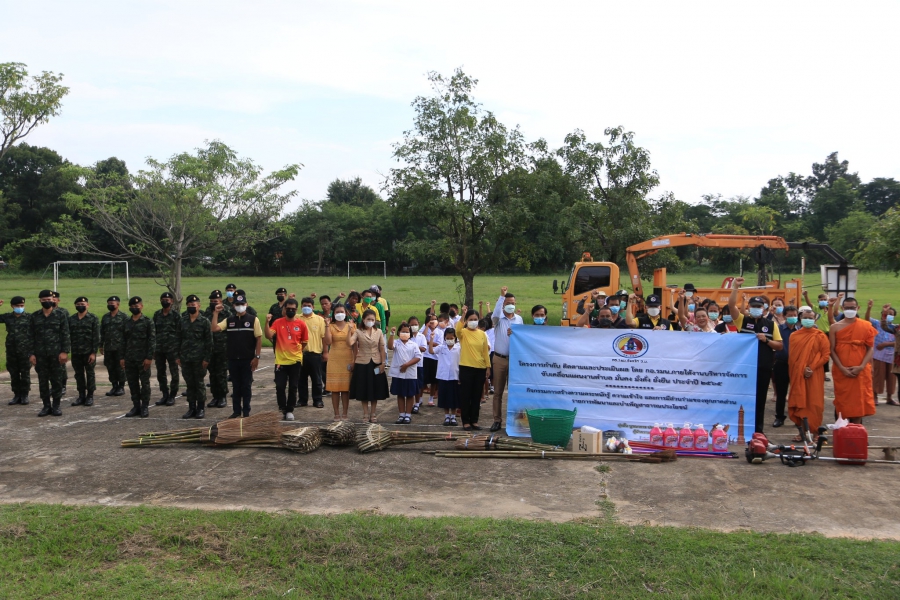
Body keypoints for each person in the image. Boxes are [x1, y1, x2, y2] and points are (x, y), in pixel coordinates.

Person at [727, 278, 783, 433]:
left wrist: (766, 341)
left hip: (763, 368)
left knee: (760, 400)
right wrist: (735, 288)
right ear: (749, 307)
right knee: (742, 399)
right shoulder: (742, 320)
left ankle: (758, 430)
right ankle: (739, 429)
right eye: (753, 306)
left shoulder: (771, 325)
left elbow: (779, 345)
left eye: (759, 306)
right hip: (744, 369)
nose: (756, 308)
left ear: (764, 308)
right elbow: (731, 305)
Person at [212, 294, 262, 419]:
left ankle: (246, 411)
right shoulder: (229, 320)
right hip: (233, 359)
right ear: (233, 306)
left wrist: (257, 357)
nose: (240, 307)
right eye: (237, 305)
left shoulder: (253, 319)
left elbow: (259, 338)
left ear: (246, 305)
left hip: (247, 359)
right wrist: (215, 313)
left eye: (242, 304)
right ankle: (236, 411)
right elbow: (214, 328)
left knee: (246, 386)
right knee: (236, 386)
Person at [830, 296, 876, 424]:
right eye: (847, 308)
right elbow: (832, 350)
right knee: (842, 400)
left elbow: (870, 348)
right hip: (841, 371)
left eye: (852, 308)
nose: (850, 310)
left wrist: (861, 366)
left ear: (857, 308)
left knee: (858, 401)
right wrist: (842, 368)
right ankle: (841, 430)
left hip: (860, 370)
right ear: (842, 308)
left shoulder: (866, 325)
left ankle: (856, 432)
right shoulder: (835, 327)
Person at [788, 307, 831, 438]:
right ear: (800, 319)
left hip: (815, 374)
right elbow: (792, 358)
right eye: (805, 318)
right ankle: (802, 432)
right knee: (799, 401)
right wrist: (802, 370)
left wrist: (811, 368)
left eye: (810, 318)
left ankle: (816, 431)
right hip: (798, 375)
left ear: (815, 319)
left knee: (815, 403)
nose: (807, 320)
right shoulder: (794, 335)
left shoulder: (820, 335)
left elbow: (825, 355)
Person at [265, 298, 307, 420]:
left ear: (296, 310)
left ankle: (290, 410)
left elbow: (304, 342)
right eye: (288, 309)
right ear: (284, 309)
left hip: (295, 360)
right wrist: (267, 322)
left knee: (293, 386)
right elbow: (268, 335)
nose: (290, 311)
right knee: (280, 386)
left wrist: (296, 351)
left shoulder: (301, 324)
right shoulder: (277, 322)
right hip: (280, 361)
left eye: (293, 309)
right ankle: (282, 408)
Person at [30, 290, 70, 417]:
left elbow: (65, 334)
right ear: (40, 300)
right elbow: (30, 336)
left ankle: (56, 406)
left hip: (56, 354)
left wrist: (64, 352)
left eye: (49, 300)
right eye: (44, 300)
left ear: (53, 300)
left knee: (57, 381)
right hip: (40, 355)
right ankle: (46, 406)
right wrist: (31, 354)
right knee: (43, 381)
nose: (47, 302)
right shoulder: (35, 316)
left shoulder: (60, 315)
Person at [490, 287, 523, 432]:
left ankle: (514, 421)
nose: (511, 305)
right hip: (499, 359)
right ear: (503, 304)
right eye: (508, 302)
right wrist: (501, 296)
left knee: (514, 392)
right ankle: (497, 420)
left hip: (514, 359)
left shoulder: (519, 319)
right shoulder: (497, 319)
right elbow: (495, 314)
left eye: (513, 302)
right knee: (498, 392)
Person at [176, 294, 212, 419]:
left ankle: (201, 408)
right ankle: (191, 408)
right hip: (185, 358)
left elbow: (209, 342)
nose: (192, 307)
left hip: (199, 359)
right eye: (189, 305)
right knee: (190, 384)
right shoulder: (183, 320)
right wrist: (177, 355)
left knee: (199, 384)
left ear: (199, 306)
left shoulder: (204, 321)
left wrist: (207, 358)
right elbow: (178, 339)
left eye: (194, 305)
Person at [456, 307, 491, 431]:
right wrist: (463, 315)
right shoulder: (463, 333)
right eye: (471, 319)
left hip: (480, 368)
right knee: (466, 395)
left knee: (477, 396)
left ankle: (474, 420)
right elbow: (457, 330)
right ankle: (465, 421)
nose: (473, 321)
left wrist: (488, 366)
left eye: (475, 319)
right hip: (466, 367)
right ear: (466, 320)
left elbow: (485, 352)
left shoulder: (482, 334)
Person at [350, 309, 389, 422]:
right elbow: (350, 343)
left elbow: (382, 348)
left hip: (376, 363)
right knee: (364, 389)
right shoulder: (358, 331)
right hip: (362, 363)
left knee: (375, 389)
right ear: (364, 320)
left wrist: (383, 363)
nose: (370, 321)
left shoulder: (379, 332)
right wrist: (349, 330)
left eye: (372, 319)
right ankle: (365, 414)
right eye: (368, 319)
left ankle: (373, 413)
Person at [120, 296, 156, 418]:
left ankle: (145, 407)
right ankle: (136, 406)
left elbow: (152, 341)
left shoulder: (147, 321)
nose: (135, 308)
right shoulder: (126, 322)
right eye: (132, 307)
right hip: (129, 358)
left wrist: (149, 357)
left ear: (142, 306)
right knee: (132, 383)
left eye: (137, 306)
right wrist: (122, 357)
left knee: (145, 384)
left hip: (143, 359)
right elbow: (122, 341)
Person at [324, 303, 356, 421]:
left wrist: (354, 360)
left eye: (342, 312)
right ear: (333, 313)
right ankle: (336, 413)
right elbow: (328, 342)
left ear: (345, 313)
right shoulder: (331, 326)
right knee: (335, 388)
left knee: (345, 389)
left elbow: (354, 344)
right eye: (337, 312)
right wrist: (327, 326)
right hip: (334, 359)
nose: (340, 314)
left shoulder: (351, 325)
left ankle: (345, 413)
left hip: (347, 357)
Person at [0, 296, 34, 405]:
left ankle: (25, 395)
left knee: (25, 373)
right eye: (17, 306)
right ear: (12, 306)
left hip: (25, 350)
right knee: (13, 373)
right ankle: (16, 395)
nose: (20, 307)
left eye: (22, 306)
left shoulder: (29, 317)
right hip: (11, 350)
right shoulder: (7, 317)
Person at [772, 306, 801, 428]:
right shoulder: (778, 329)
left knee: (797, 392)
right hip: (781, 363)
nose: (792, 317)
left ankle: (798, 418)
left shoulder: (801, 330)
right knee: (781, 393)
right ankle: (779, 417)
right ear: (784, 316)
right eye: (790, 315)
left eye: (795, 315)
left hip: (797, 365)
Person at [68, 296, 100, 407]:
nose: (81, 306)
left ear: (87, 305)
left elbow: (96, 336)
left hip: (88, 352)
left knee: (90, 374)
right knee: (78, 374)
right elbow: (68, 336)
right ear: (75, 306)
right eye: (78, 304)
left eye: (83, 304)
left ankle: (90, 396)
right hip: (76, 352)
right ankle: (81, 395)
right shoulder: (71, 319)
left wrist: (93, 353)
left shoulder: (93, 318)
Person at [388, 322, 422, 424]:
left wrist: (407, 365)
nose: (405, 333)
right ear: (399, 332)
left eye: (407, 332)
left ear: (410, 334)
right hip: (398, 373)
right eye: (403, 331)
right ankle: (401, 414)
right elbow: (390, 346)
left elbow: (418, 357)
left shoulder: (414, 345)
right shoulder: (396, 343)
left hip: (410, 373)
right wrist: (391, 334)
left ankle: (408, 415)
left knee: (410, 394)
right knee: (400, 394)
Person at [204, 290, 231, 409]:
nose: (213, 303)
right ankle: (215, 396)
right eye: (212, 301)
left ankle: (222, 396)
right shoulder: (207, 312)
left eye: (216, 301)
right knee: (212, 373)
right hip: (210, 348)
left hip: (222, 347)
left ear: (221, 301)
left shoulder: (227, 313)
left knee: (221, 373)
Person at [153, 291, 180, 406]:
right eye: (163, 299)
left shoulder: (176, 315)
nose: (165, 301)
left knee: (174, 373)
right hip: (159, 349)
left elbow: (180, 333)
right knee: (160, 373)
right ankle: (164, 394)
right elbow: (153, 332)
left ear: (172, 301)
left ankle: (172, 395)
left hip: (172, 349)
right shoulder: (157, 315)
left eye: (167, 300)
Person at [429, 326, 460, 426]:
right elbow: (431, 351)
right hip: (443, 376)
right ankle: (447, 416)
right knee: (445, 397)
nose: (450, 340)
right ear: (444, 338)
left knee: (454, 398)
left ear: (455, 338)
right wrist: (431, 339)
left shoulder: (459, 348)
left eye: (452, 338)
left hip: (455, 376)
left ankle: (453, 417)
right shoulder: (441, 347)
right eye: (448, 338)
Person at [299, 297, 326, 408]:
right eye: (304, 305)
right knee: (301, 379)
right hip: (300, 354)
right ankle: (302, 400)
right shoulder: (297, 318)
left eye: (309, 306)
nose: (307, 308)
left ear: (313, 307)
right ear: (301, 307)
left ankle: (318, 400)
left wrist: (325, 352)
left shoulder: (320, 320)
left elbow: (324, 337)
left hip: (315, 353)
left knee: (317, 379)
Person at [867, 301, 897, 405]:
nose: (889, 316)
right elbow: (866, 320)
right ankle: (875, 397)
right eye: (886, 314)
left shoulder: (895, 327)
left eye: (891, 314)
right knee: (877, 376)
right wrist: (869, 308)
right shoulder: (877, 324)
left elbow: (898, 341)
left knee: (891, 378)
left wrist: (886, 344)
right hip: (879, 355)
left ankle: (889, 398)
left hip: (892, 357)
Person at [100, 295, 127, 397]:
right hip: (108, 347)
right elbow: (102, 332)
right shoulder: (105, 317)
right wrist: (101, 345)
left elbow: (127, 333)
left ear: (118, 304)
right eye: (109, 303)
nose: (110, 305)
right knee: (110, 367)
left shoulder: (124, 317)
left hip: (120, 347)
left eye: (112, 303)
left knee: (120, 367)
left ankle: (121, 386)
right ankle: (114, 385)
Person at [422, 312, 442, 406]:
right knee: (424, 379)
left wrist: (428, 342)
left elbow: (438, 344)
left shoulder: (440, 332)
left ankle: (431, 399)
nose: (433, 321)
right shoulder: (424, 328)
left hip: (435, 357)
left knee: (434, 380)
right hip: (425, 356)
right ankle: (420, 399)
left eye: (434, 319)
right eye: (431, 320)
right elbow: (422, 337)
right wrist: (426, 326)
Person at [408, 315, 427, 413]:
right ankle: (410, 404)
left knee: (419, 385)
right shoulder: (407, 336)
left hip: (419, 364)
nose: (414, 326)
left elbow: (424, 348)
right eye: (412, 325)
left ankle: (417, 403)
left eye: (416, 324)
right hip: (409, 364)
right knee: (411, 384)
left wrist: (414, 346)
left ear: (419, 324)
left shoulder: (421, 336)